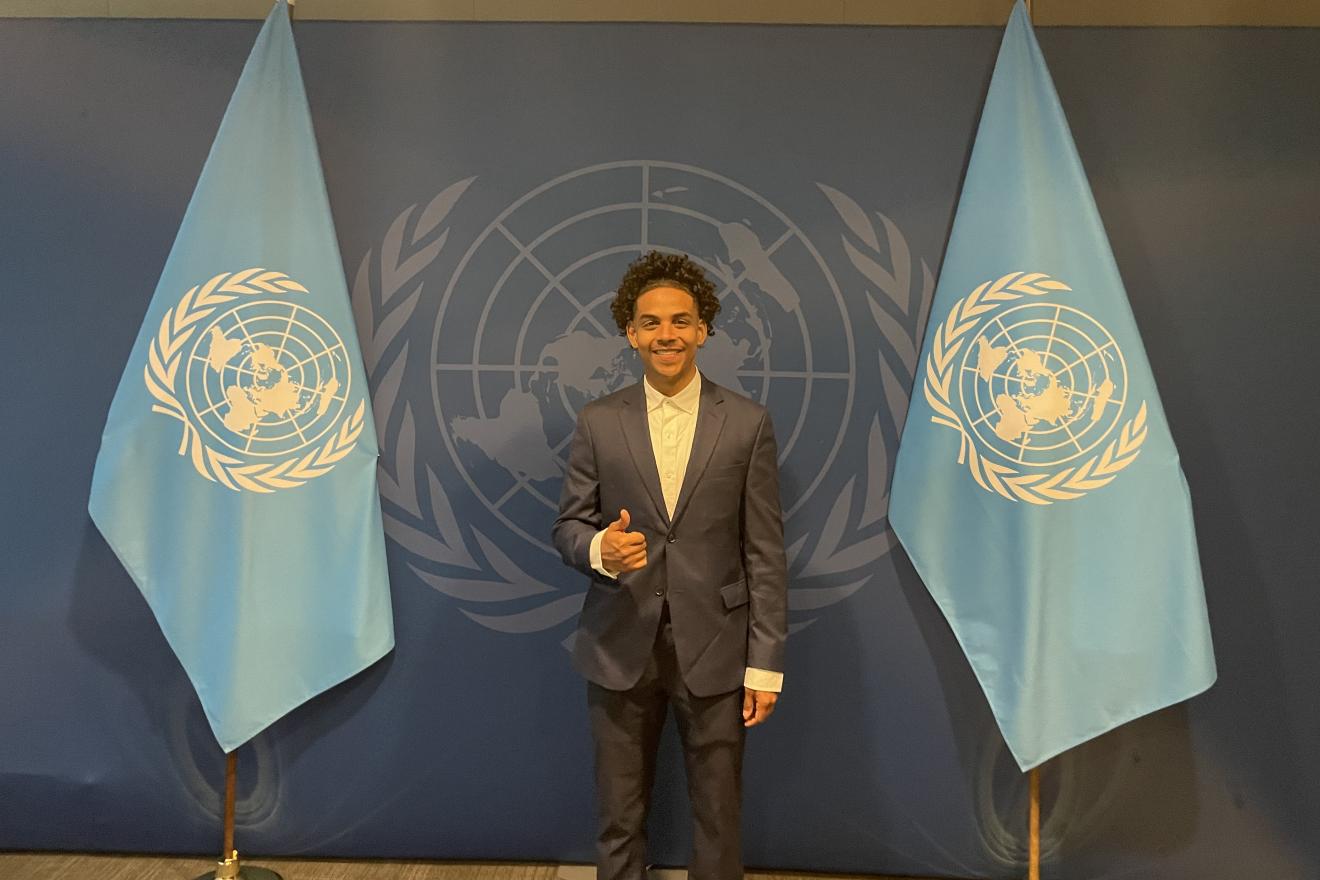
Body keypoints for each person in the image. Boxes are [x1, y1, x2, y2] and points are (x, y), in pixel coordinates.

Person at [552, 250, 788, 880]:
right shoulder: (599, 422)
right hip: (618, 644)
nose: (667, 335)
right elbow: (568, 526)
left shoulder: (747, 423)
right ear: (630, 334)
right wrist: (601, 550)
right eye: (651, 323)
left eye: (681, 321)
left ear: (703, 329)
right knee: (619, 815)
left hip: (718, 648)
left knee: (718, 814)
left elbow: (764, 552)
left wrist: (765, 663)